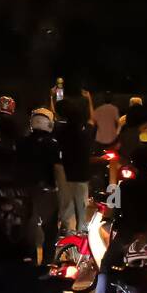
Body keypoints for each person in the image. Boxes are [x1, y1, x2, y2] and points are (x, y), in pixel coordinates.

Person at [88, 146, 147, 293]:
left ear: (133, 164)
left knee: (107, 264)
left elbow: (112, 210)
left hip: (129, 234)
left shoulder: (125, 186)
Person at [17, 106, 61, 262]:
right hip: (47, 192)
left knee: (29, 226)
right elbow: (57, 168)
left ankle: (29, 258)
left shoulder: (22, 142)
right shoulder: (53, 143)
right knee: (49, 230)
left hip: (25, 190)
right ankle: (47, 263)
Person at [54, 97, 94, 233]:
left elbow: (54, 121)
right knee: (81, 203)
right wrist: (89, 100)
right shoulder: (86, 130)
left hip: (67, 171)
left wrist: (50, 97)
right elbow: (92, 121)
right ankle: (81, 229)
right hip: (82, 172)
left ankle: (66, 229)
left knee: (67, 203)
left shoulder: (61, 131)